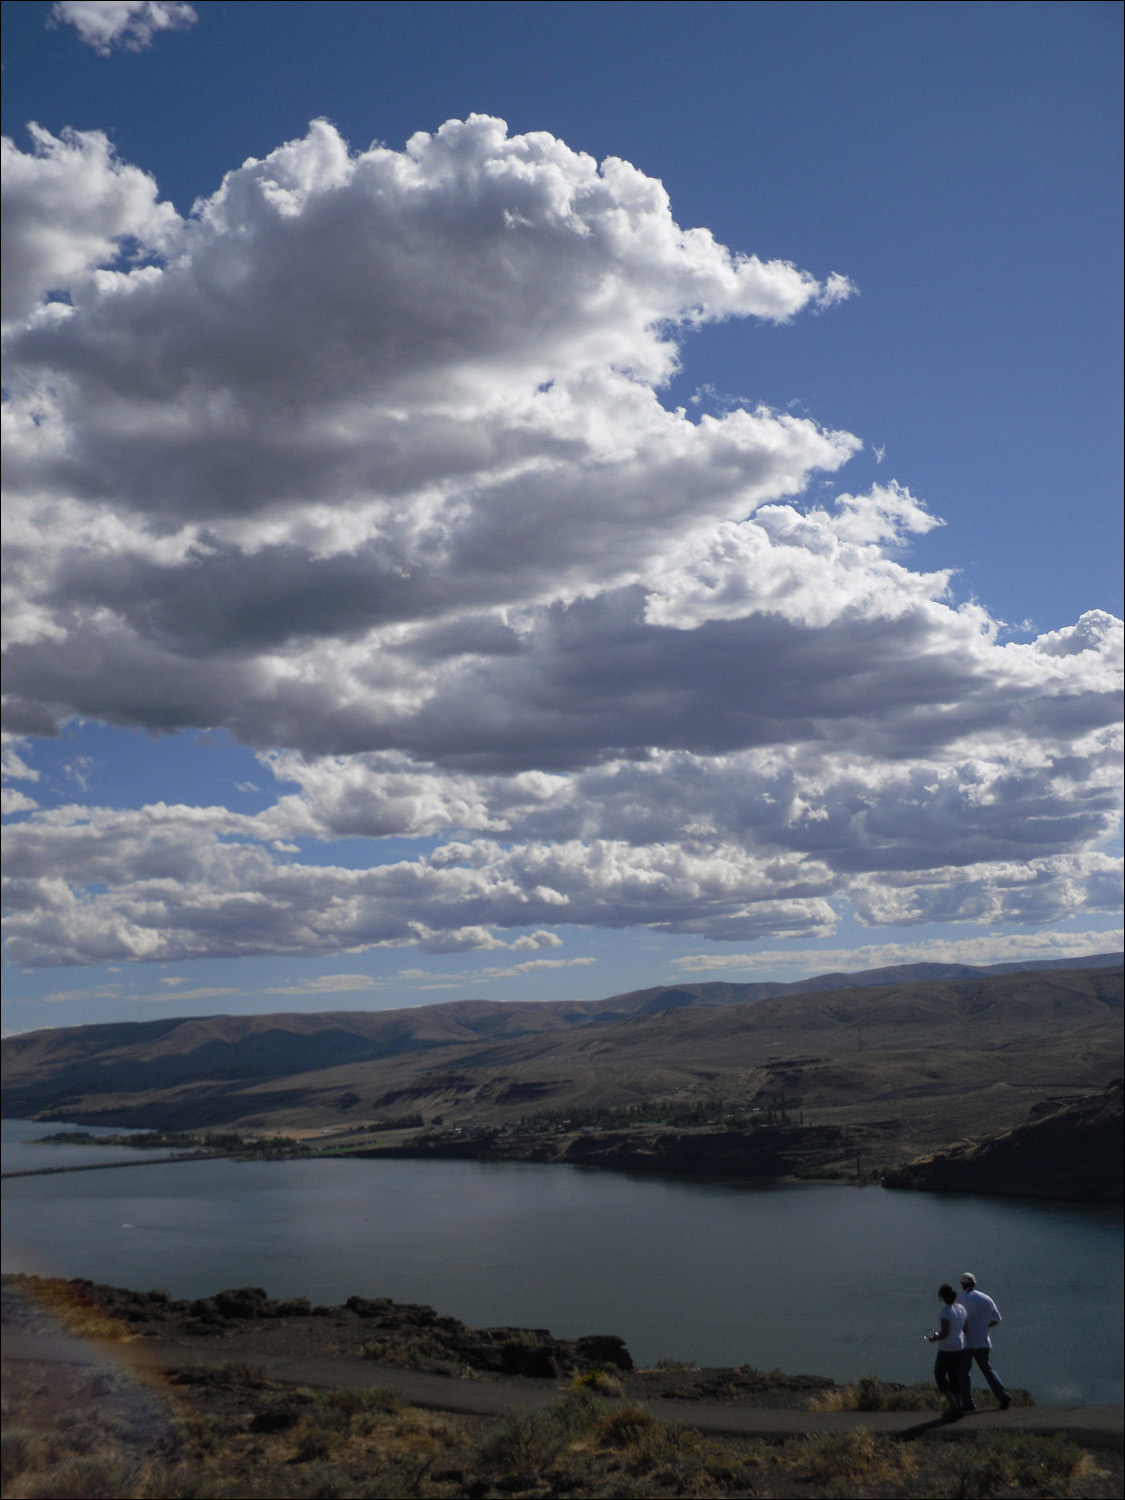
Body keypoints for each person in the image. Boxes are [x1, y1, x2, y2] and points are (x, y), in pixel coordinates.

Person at [958, 1272, 1011, 1410]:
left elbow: (961, 1322)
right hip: (983, 1341)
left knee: (964, 1372)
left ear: (962, 1285)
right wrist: (983, 1327)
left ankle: (968, 1403)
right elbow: (997, 1319)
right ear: (974, 1283)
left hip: (967, 1343)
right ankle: (1003, 1395)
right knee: (987, 1369)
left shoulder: (962, 1299)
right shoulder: (986, 1298)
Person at [928, 1283, 970, 1418]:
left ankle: (952, 1404)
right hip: (960, 1346)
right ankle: (958, 1405)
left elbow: (945, 1333)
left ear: (943, 1297)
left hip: (947, 1349)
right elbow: (965, 1327)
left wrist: (934, 1338)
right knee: (954, 1375)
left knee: (939, 1374)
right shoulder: (961, 1309)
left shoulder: (945, 1311)